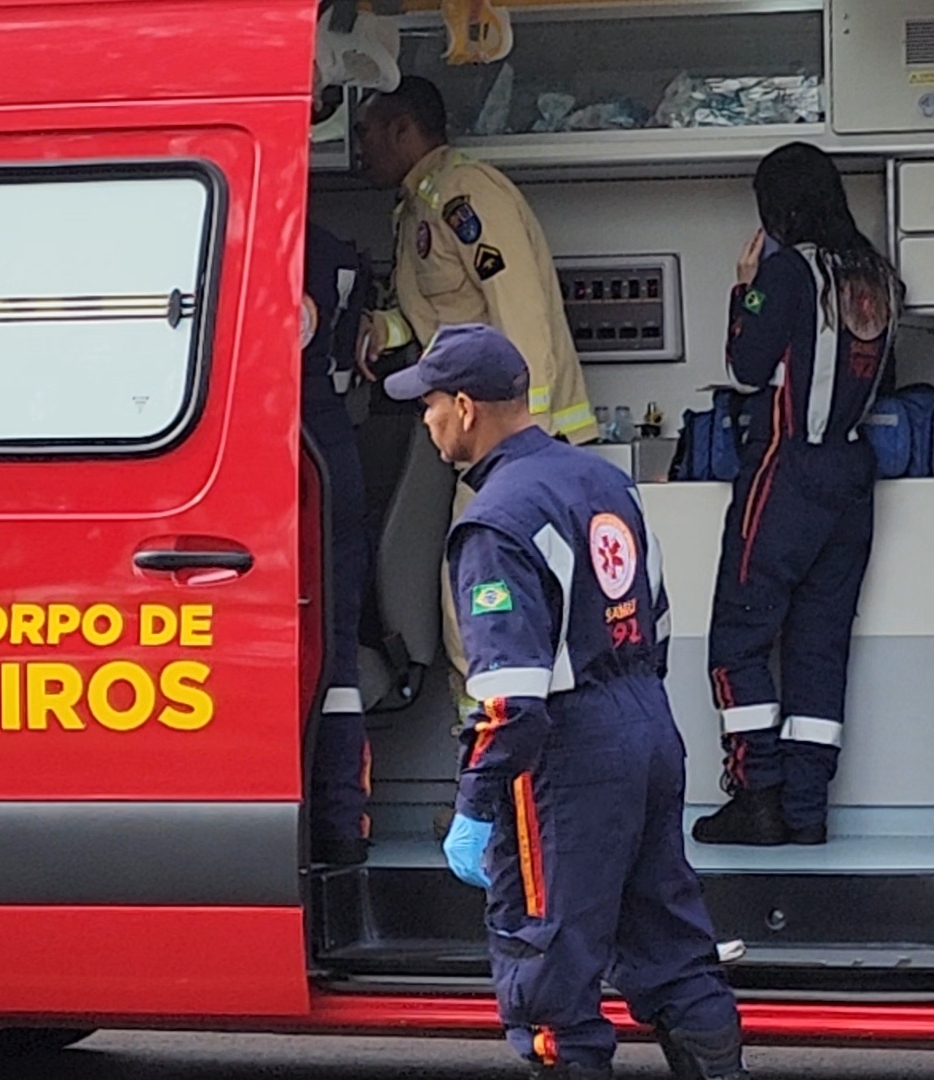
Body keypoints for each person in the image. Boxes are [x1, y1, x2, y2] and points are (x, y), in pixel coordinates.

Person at [383, 323, 747, 1080]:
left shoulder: (494, 522)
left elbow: (511, 701)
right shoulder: (603, 481)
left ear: (465, 406)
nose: (426, 421)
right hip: (645, 724)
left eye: (429, 406)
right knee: (670, 946)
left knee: (549, 973)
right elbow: (657, 618)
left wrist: (476, 806)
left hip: (567, 758)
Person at [692, 143, 902, 848]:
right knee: (818, 647)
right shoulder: (875, 276)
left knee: (737, 640)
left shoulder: (787, 271)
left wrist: (744, 288)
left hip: (789, 471)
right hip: (852, 476)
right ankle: (807, 811)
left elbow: (749, 369)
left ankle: (757, 799)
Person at [353, 76, 597, 446]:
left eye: (364, 133)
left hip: (525, 434)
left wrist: (527, 428)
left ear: (401, 130)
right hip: (474, 424)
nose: (359, 149)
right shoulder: (417, 207)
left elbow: (519, 307)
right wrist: (382, 330)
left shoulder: (466, 194)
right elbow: (436, 312)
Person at [302, 222, 373, 866]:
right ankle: (340, 821)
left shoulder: (248, 238)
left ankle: (320, 820)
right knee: (337, 650)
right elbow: (355, 359)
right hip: (330, 447)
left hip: (290, 450)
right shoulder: (342, 256)